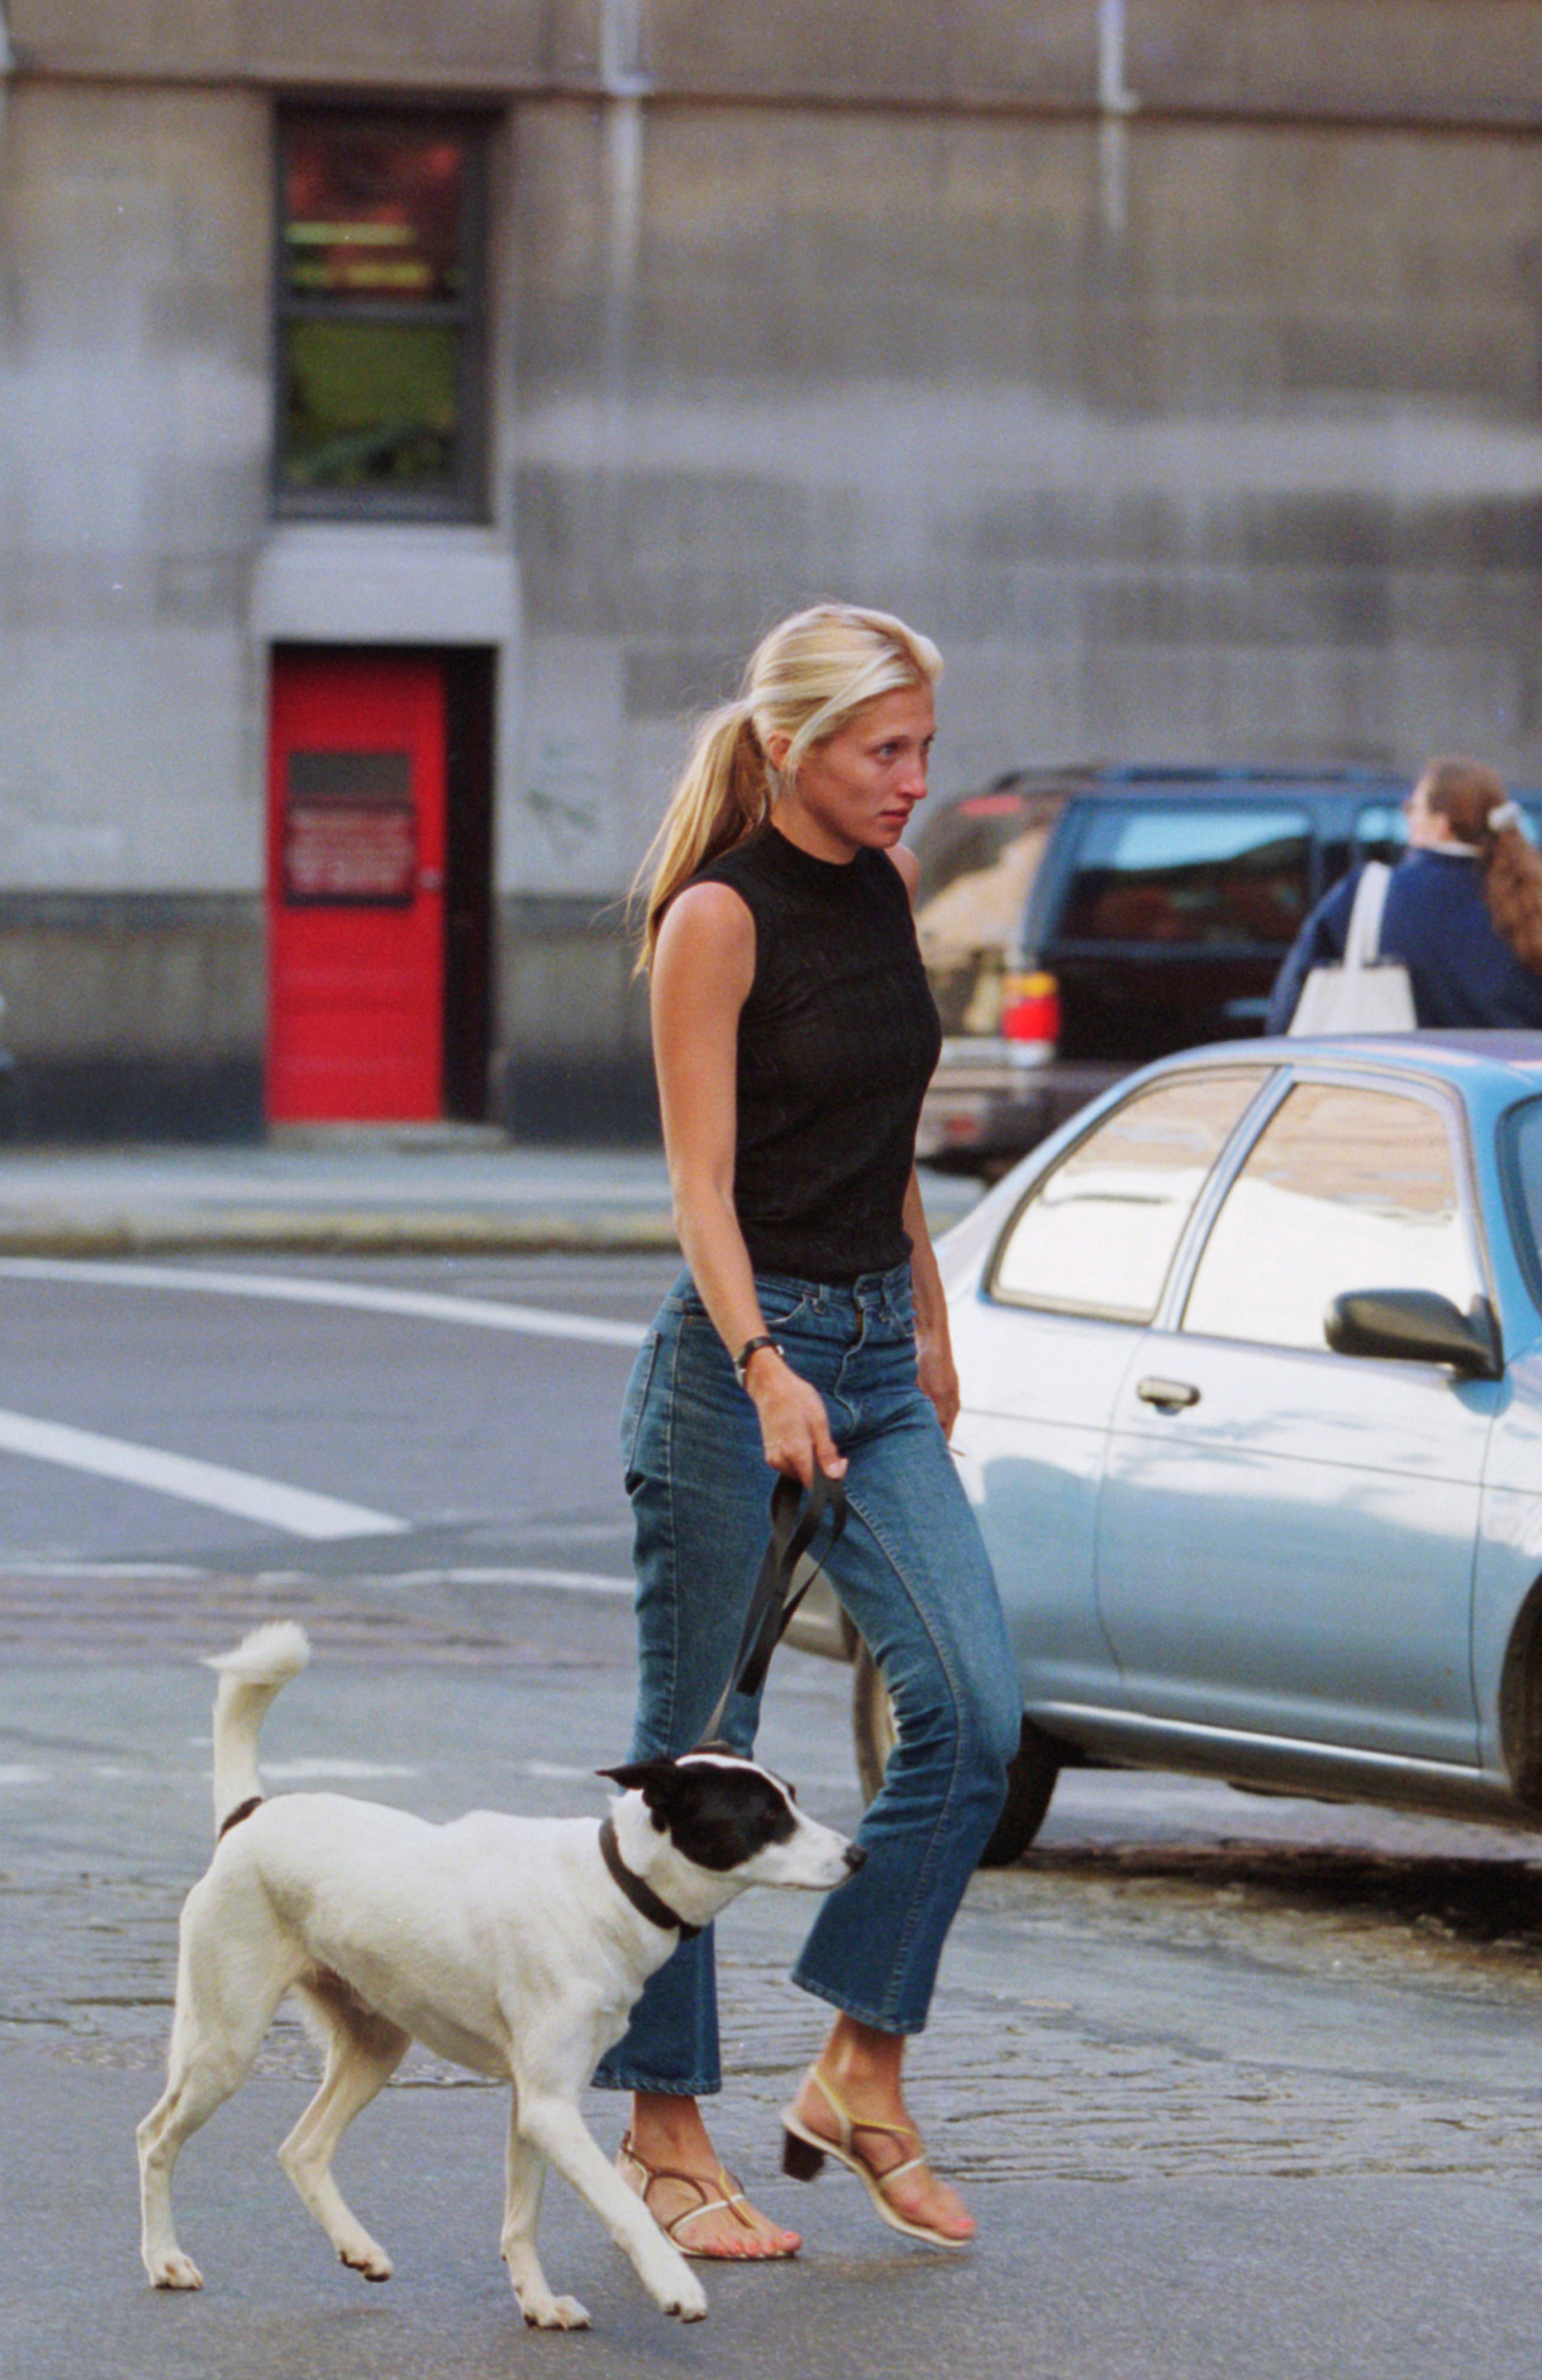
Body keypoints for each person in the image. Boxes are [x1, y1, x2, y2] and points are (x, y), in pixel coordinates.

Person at [592, 602, 1022, 2261]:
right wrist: (766, 1363)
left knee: (970, 1713)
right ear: (791, 746)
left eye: (922, 746)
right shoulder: (716, 916)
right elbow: (698, 1187)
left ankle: (857, 2064)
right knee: (696, 1748)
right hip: (734, 1366)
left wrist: (928, 1316)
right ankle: (661, 2131)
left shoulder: (887, 886)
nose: (915, 779)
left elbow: (880, 1132)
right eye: (883, 749)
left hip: (872, 1354)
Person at [1266, 756, 1542, 1032]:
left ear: (1442, 824)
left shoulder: (1370, 894)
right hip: (1510, 1060)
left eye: (1413, 807)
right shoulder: (1528, 900)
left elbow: (1289, 1003)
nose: (1407, 816)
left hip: (1401, 1058)